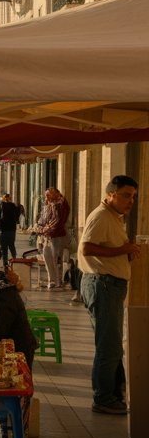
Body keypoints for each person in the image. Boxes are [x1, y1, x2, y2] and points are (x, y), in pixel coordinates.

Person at [78, 175, 141, 415]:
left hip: (109, 285)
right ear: (111, 193)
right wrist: (121, 250)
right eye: (126, 195)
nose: (130, 201)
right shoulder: (102, 216)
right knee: (109, 345)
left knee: (113, 343)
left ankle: (115, 394)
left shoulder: (114, 218)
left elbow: (107, 250)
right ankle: (103, 397)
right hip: (103, 284)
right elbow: (87, 247)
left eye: (133, 196)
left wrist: (124, 253)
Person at [35, 186, 70, 289]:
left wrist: (43, 230)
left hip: (56, 237)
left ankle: (58, 281)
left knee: (56, 259)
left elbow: (57, 222)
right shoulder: (49, 205)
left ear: (55, 194)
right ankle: (52, 280)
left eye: (48, 194)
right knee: (47, 258)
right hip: (48, 237)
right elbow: (42, 220)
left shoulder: (59, 205)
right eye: (46, 195)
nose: (46, 197)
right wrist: (40, 228)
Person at [0, 192, 22, 269]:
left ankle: (5, 263)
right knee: (11, 245)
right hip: (12, 229)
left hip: (3, 230)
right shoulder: (13, 206)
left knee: (4, 248)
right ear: (9, 198)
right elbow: (17, 216)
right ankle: (14, 260)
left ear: (2, 198)